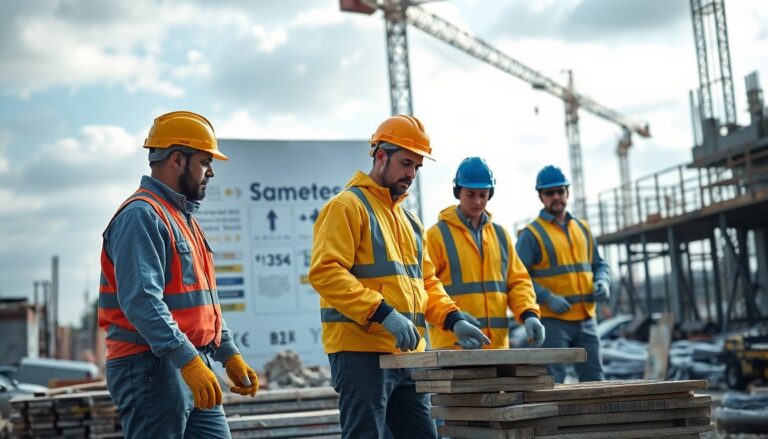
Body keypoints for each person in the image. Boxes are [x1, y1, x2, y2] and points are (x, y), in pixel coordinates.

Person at [309, 115, 490, 439]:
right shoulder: (347, 206)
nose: (411, 174)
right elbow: (326, 272)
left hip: (407, 353)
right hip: (361, 352)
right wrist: (384, 314)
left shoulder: (410, 221)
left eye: (417, 167)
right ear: (381, 156)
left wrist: (453, 319)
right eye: (406, 163)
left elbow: (427, 282)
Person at [98, 111, 259, 438]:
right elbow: (143, 302)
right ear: (176, 160)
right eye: (204, 162)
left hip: (187, 361)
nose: (211, 172)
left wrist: (228, 352)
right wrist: (188, 360)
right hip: (150, 367)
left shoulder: (182, 218)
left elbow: (200, 304)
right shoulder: (141, 215)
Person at [426, 157, 545, 350]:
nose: (478, 201)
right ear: (458, 192)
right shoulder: (436, 236)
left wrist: (529, 314)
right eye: (470, 194)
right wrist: (452, 320)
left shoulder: (501, 235)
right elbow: (424, 287)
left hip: (497, 348)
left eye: (483, 194)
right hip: (453, 346)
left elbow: (517, 282)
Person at [515, 165, 611, 383]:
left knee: (595, 381)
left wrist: (603, 281)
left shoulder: (583, 228)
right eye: (550, 193)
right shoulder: (531, 234)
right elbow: (518, 278)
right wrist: (547, 297)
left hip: (587, 318)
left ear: (568, 192)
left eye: (560, 191)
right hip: (552, 321)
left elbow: (599, 265)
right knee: (553, 382)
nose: (556, 197)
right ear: (540, 196)